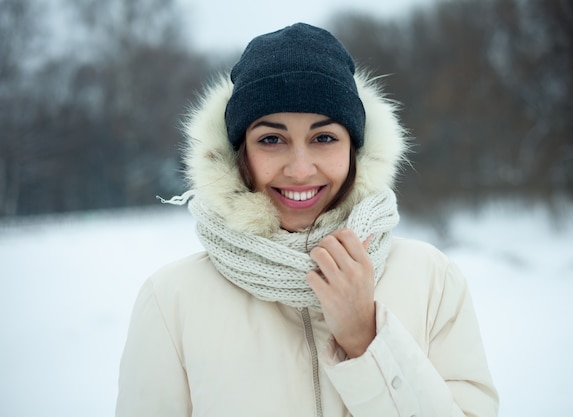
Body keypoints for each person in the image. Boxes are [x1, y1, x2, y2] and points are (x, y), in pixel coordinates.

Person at [116, 23, 499, 417]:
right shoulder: (172, 300)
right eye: (271, 139)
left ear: (356, 148)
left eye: (324, 138)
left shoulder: (431, 279)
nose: (300, 170)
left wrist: (365, 338)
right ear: (238, 154)